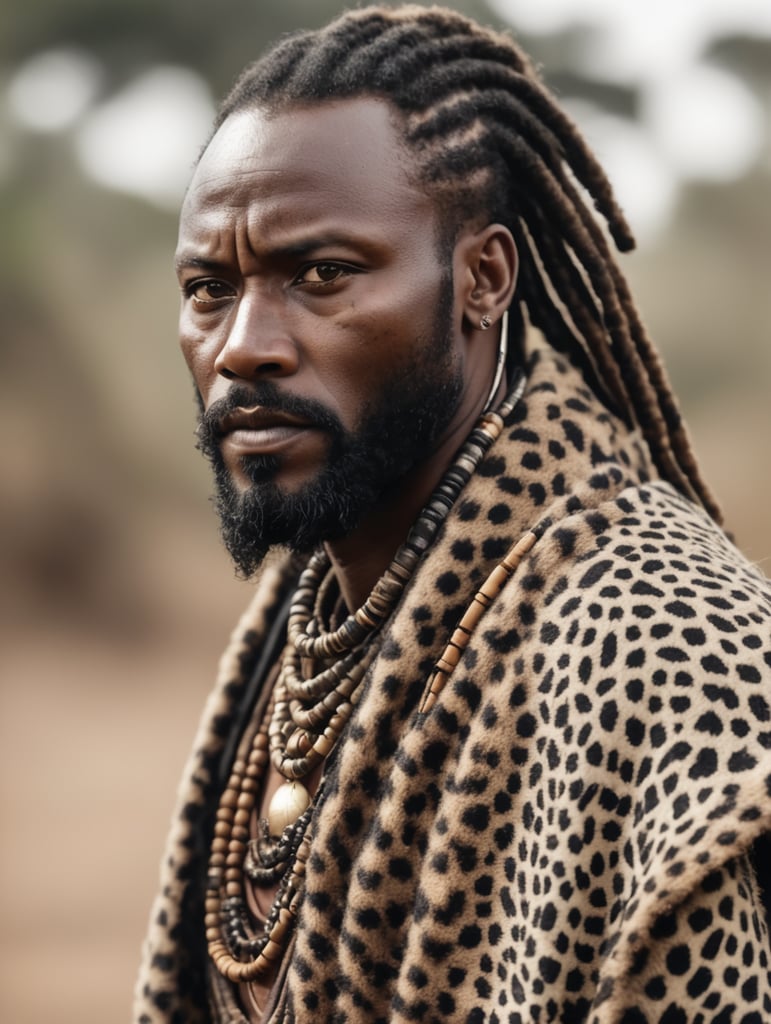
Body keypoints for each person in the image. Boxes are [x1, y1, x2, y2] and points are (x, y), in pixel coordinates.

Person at [134, 6, 771, 1022]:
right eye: (209, 288)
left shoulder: (665, 650)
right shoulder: (312, 618)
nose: (244, 345)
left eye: (323, 275)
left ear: (482, 278)